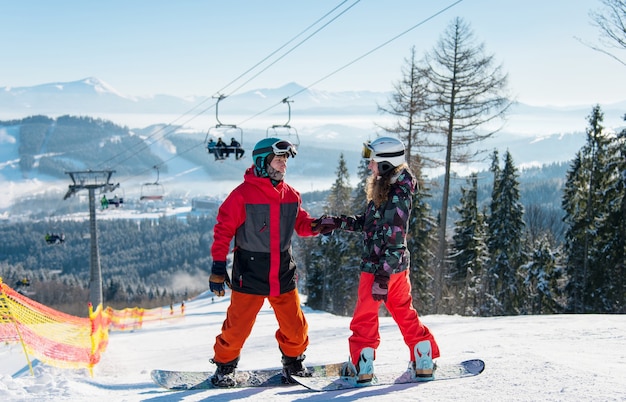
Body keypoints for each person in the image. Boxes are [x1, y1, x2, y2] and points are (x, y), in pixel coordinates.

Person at [311, 136, 440, 384]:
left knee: (365, 316)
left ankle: (362, 365)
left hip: (379, 267)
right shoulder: (391, 187)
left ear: (385, 164)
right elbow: (371, 224)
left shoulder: (396, 195)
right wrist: (338, 222)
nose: (369, 166)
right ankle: (423, 357)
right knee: (403, 311)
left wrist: (381, 275)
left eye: (373, 162)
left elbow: (395, 236)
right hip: (395, 268)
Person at [208, 137, 319, 387]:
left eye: (285, 161)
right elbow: (223, 231)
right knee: (237, 327)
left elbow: (301, 224)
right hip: (250, 271)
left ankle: (293, 364)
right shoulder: (241, 195)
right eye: (279, 160)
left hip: (282, 271)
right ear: (262, 162)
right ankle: (225, 367)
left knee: (295, 326)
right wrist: (217, 267)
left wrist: (321, 225)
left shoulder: (291, 195)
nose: (283, 166)